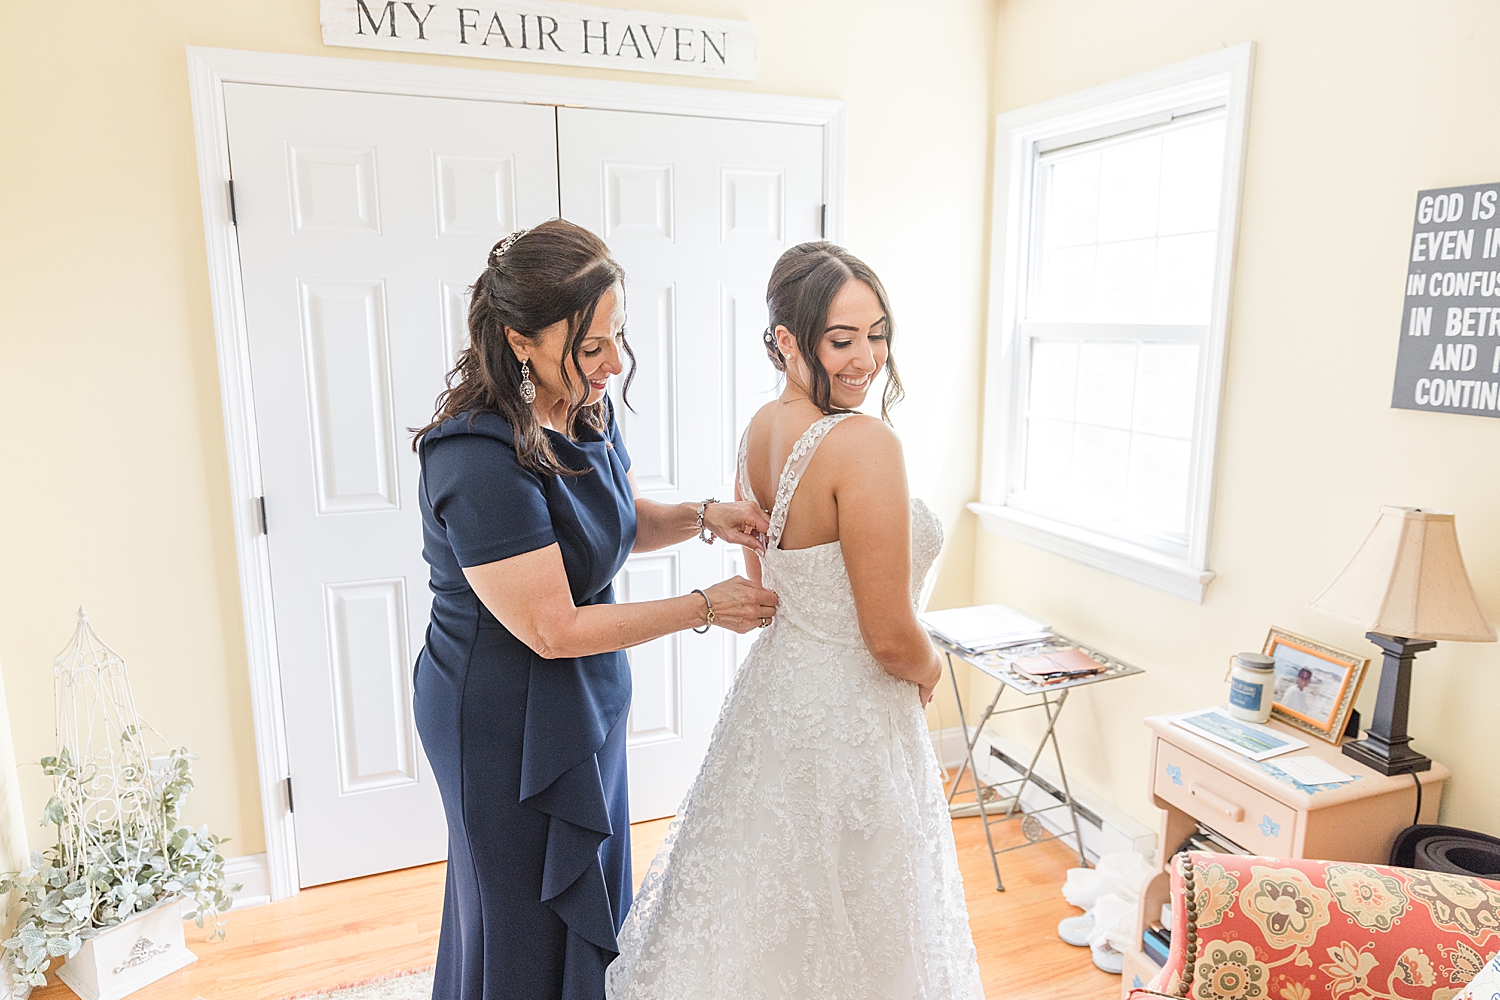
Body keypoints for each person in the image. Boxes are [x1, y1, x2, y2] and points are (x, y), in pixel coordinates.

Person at [410, 220, 780, 1000]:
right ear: (519, 340)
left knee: (589, 891)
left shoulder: (581, 410)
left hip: (585, 694)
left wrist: (707, 516)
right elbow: (552, 627)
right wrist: (704, 606)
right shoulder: (475, 459)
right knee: (515, 912)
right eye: (590, 348)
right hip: (500, 717)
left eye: (617, 338)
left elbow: (608, 524)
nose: (613, 363)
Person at [606, 242, 985, 999]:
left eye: (878, 334)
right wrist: (932, 667)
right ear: (787, 340)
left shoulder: (758, 430)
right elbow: (887, 633)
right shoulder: (863, 444)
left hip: (780, 696)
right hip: (854, 710)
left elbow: (770, 586)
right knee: (859, 918)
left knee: (761, 903)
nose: (866, 359)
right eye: (841, 340)